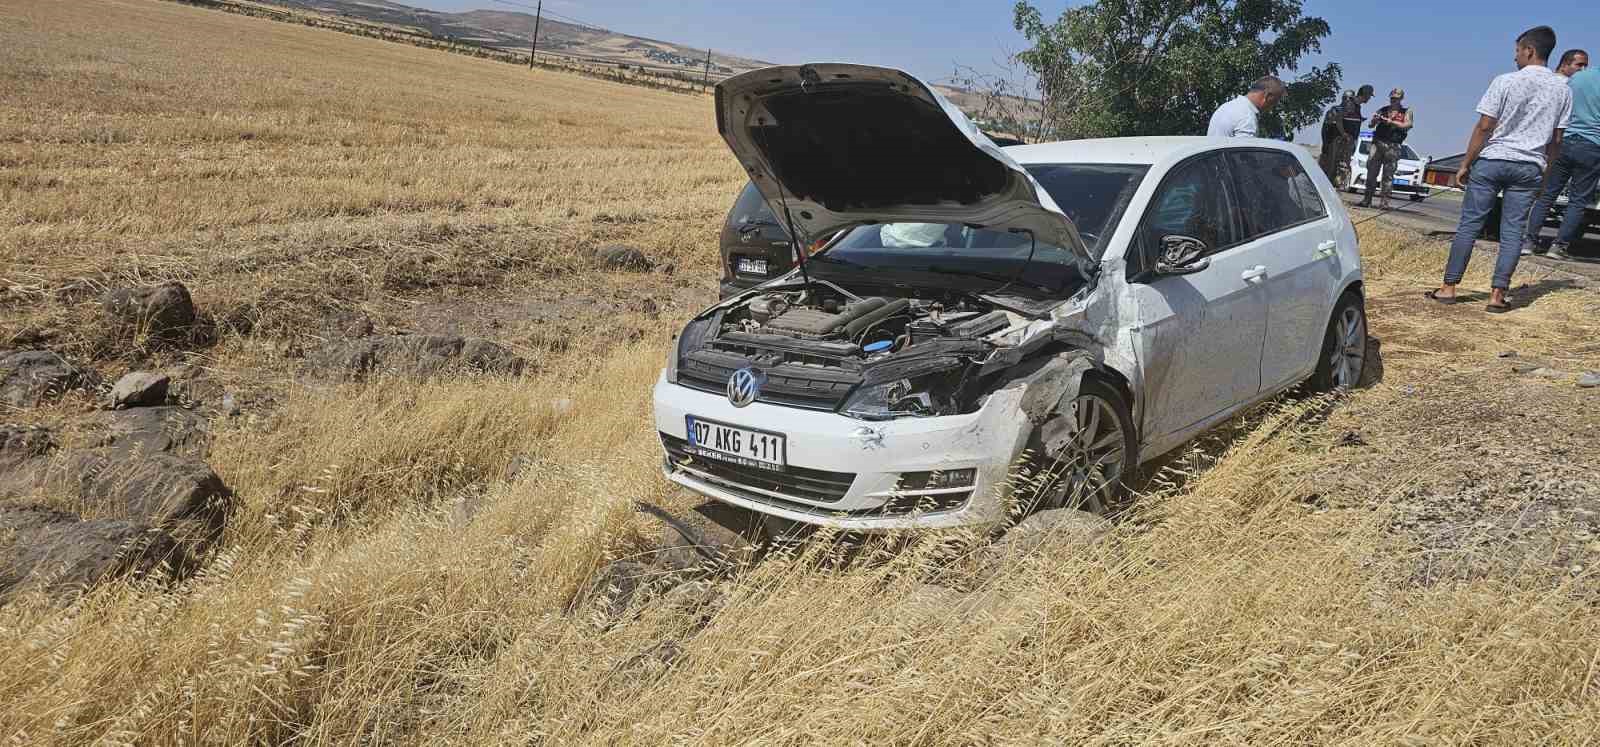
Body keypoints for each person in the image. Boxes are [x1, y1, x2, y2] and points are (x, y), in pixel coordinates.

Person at [1429, 26, 1573, 313]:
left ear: (1529, 50)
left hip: (1493, 160)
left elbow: (1485, 126)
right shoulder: (1563, 89)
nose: (1516, 57)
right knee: (1512, 232)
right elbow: (1556, 141)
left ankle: (1448, 288)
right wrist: (1545, 174)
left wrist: (1466, 163)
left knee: (1469, 225)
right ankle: (1496, 296)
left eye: (1518, 51)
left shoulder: (1505, 81)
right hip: (1529, 166)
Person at [1523, 66, 1600, 260]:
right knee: (1578, 201)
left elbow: (1561, 104)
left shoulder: (1579, 77)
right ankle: (1558, 247)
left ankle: (1529, 242)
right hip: (1592, 146)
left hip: (1564, 141)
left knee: (1546, 195)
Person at [1357, 88, 1415, 209]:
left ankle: (1384, 202)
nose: (1394, 100)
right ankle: (1367, 200)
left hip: (1393, 145)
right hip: (1378, 143)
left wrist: (1391, 122)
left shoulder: (1406, 111)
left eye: (1396, 98)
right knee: (1371, 173)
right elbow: (1371, 125)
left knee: (1388, 175)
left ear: (1401, 99)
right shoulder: (1383, 110)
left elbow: (1408, 125)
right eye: (1392, 98)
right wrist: (1375, 120)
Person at [1206, 76, 1285, 138]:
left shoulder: (1226, 107)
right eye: (1274, 102)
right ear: (1267, 96)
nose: (1271, 108)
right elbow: (1245, 155)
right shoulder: (1247, 117)